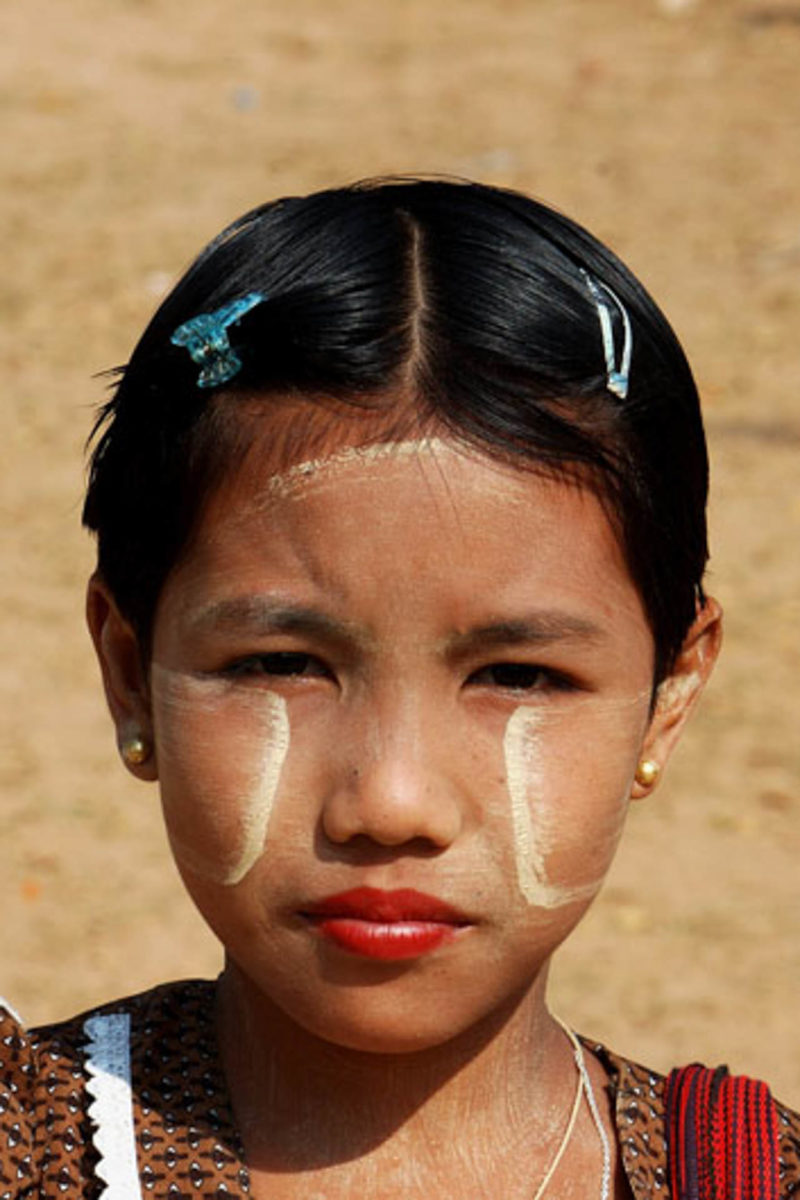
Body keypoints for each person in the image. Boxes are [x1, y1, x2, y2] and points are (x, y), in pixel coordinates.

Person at [1, 178, 797, 1200]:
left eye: (519, 674)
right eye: (279, 663)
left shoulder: (743, 1178)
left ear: (668, 692)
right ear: (130, 672)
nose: (391, 805)